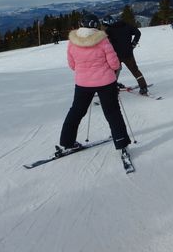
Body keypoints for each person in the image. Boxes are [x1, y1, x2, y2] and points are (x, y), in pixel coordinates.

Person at [58, 13, 131, 154]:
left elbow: (72, 65)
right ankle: (122, 143)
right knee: (113, 113)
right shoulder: (103, 40)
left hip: (83, 83)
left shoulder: (73, 41)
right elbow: (115, 64)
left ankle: (67, 142)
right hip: (106, 82)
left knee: (76, 111)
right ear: (96, 25)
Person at [102, 15, 150, 94]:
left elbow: (103, 41)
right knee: (135, 71)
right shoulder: (126, 26)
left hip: (116, 55)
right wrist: (133, 43)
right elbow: (138, 33)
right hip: (128, 54)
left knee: (113, 72)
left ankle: (112, 88)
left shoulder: (109, 30)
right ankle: (143, 87)